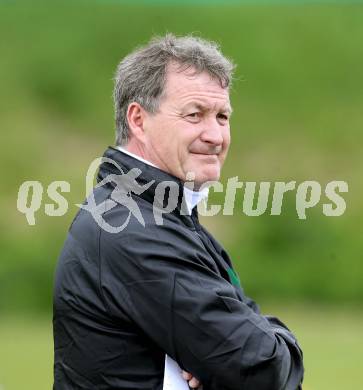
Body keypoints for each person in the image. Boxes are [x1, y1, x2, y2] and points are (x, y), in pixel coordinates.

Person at [53, 34, 304, 390]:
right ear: (138, 120)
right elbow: (262, 369)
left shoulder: (163, 213)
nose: (215, 135)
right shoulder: (132, 227)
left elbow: (248, 341)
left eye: (222, 116)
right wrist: (280, 344)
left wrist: (250, 344)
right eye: (194, 115)